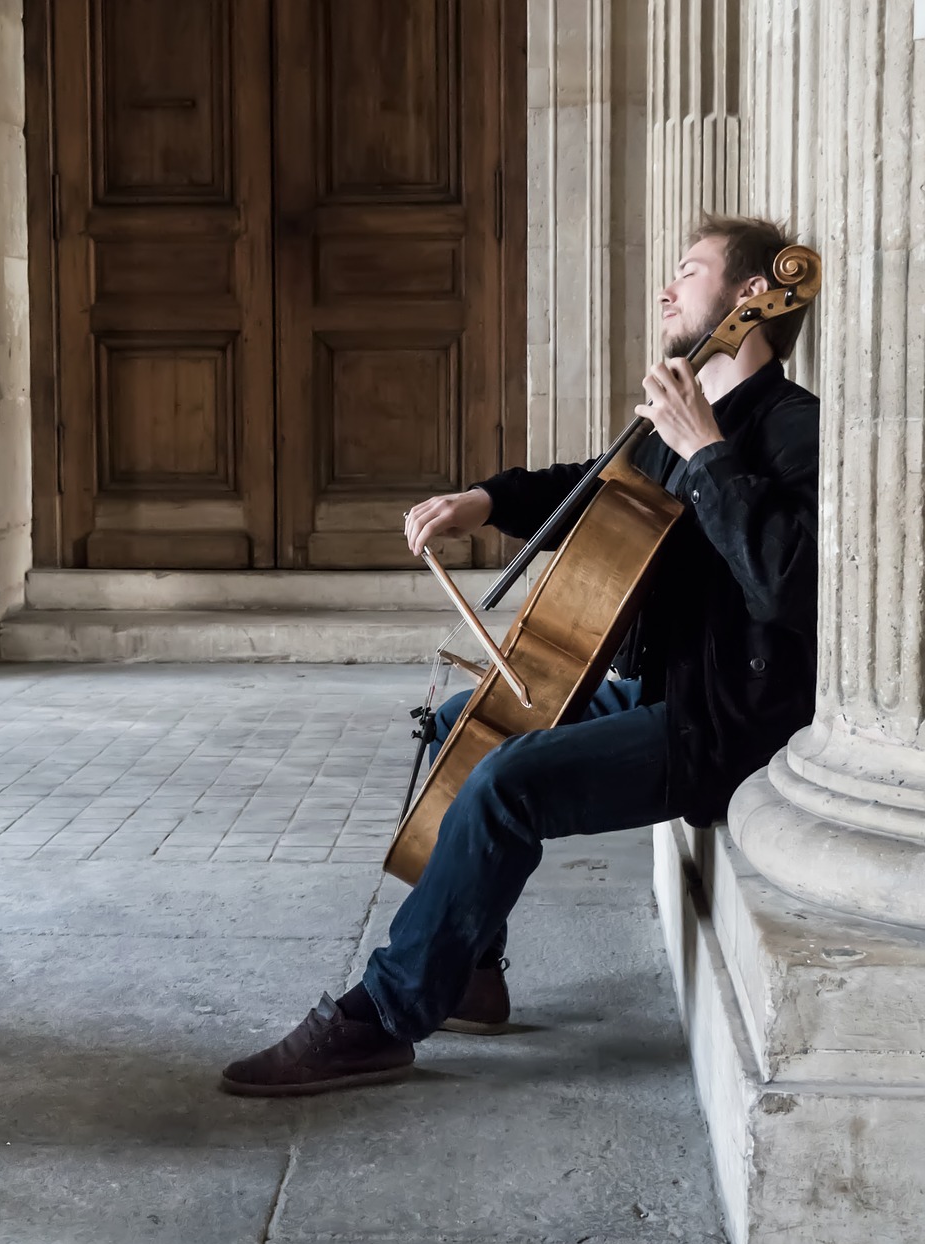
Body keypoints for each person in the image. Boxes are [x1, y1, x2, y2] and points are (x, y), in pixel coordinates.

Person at [220, 214, 821, 1098]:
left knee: (507, 783)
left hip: (728, 717)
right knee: (466, 725)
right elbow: (591, 489)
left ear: (750, 298)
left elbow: (789, 584)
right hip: (668, 688)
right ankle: (471, 971)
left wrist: (708, 454)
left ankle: (384, 1017)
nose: (666, 288)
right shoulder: (685, 417)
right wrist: (484, 499)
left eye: (687, 271)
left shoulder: (791, 429)